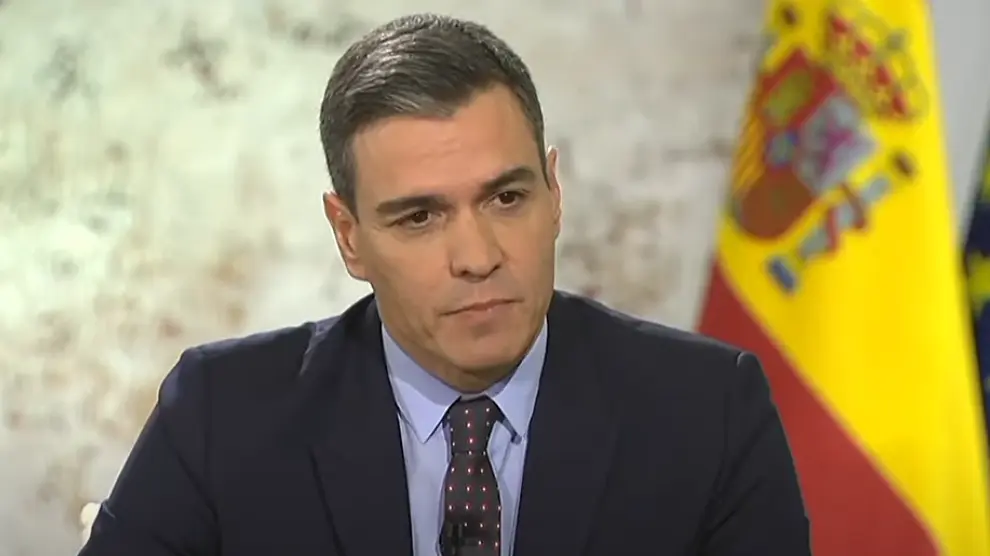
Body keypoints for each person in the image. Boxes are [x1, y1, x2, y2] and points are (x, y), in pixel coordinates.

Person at [78, 13, 810, 556]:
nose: (478, 255)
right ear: (349, 235)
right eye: (420, 217)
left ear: (555, 193)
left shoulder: (707, 413)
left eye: (507, 198)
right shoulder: (223, 417)